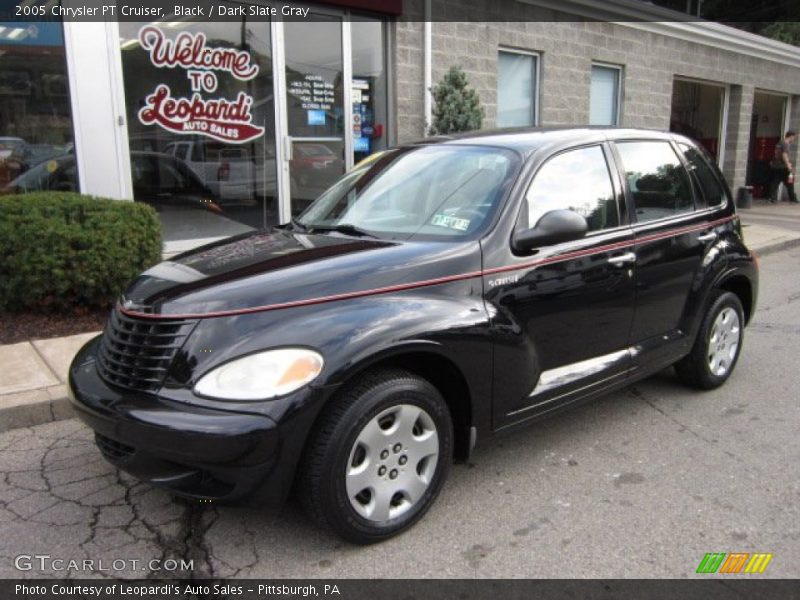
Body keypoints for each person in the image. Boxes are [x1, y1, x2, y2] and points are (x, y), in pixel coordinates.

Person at [769, 130, 798, 204]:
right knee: (790, 182)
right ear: (790, 136)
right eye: (793, 138)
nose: (793, 140)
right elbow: (784, 155)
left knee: (775, 182)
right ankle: (793, 199)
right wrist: (788, 165)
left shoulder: (779, 143)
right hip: (784, 167)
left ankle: (772, 198)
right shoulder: (785, 144)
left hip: (776, 167)